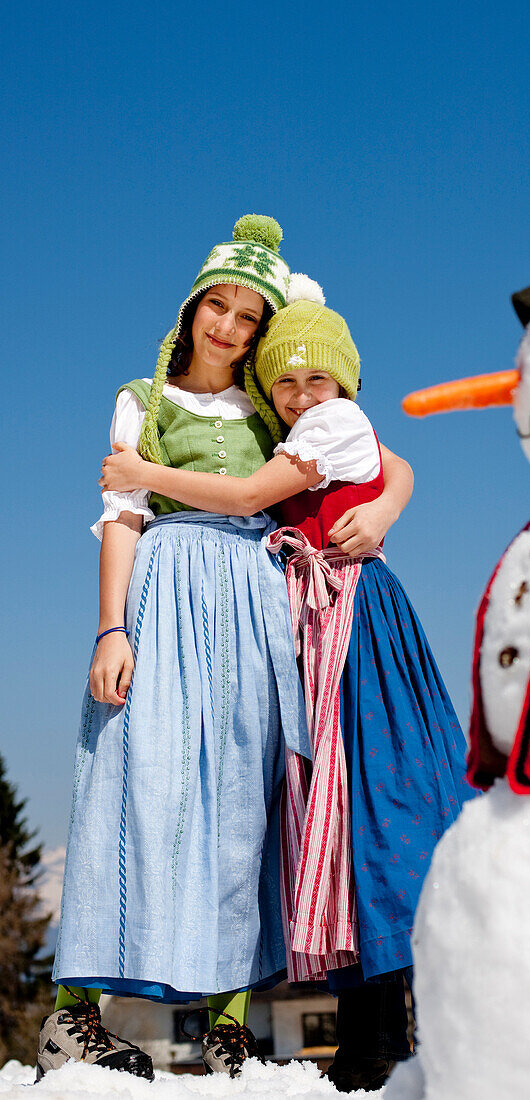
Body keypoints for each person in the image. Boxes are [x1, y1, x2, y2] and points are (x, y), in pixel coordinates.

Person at [44, 219, 413, 1083]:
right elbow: (122, 519)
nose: (230, 329)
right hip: (166, 593)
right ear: (191, 310)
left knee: (243, 790)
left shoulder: (277, 407)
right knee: (136, 779)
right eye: (219, 306)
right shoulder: (143, 397)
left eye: (250, 317)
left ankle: (228, 1021)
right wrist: (111, 626)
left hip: (252, 599)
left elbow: (389, 459)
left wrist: (388, 509)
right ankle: (75, 1016)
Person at [99, 293, 475, 1093]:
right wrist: (388, 497)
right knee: (323, 826)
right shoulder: (295, 430)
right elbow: (395, 462)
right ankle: (369, 1023)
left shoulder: (327, 426)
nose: (302, 394)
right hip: (300, 624)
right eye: (286, 381)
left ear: (343, 383)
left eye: (317, 378)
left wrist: (140, 474)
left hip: (350, 618)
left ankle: (401, 1024)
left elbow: (246, 497)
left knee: (368, 809)